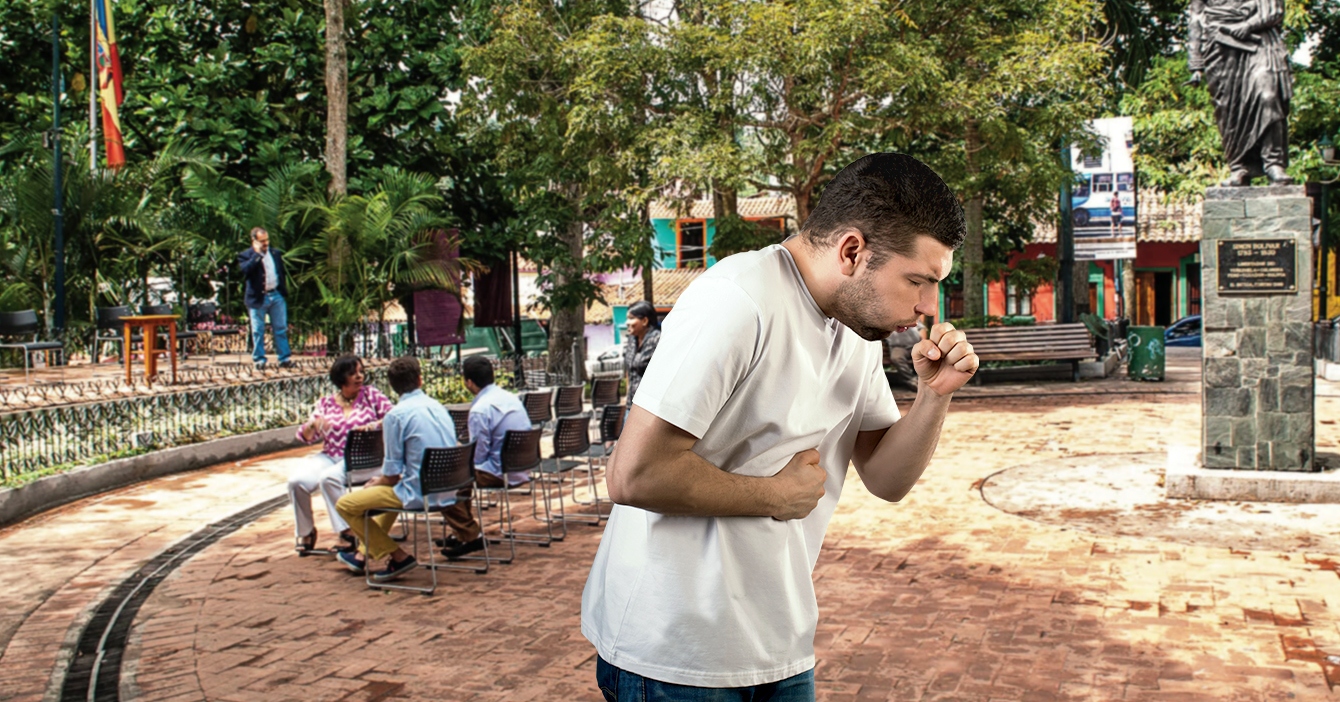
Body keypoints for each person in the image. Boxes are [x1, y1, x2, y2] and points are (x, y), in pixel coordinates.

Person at [582, 153, 979, 700]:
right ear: (852, 251)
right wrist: (773, 494)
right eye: (918, 280)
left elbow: (888, 479)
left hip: (779, 642)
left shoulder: (854, 326)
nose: (927, 306)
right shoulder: (738, 300)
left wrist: (934, 397)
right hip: (675, 652)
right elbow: (633, 475)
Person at [335, 357, 458, 582]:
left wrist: (377, 481)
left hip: (422, 492)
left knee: (345, 504)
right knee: (389, 497)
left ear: (392, 386)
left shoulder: (396, 415)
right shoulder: (437, 406)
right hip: (451, 486)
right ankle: (362, 554)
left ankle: (398, 556)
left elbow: (391, 474)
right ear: (420, 380)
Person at [290, 355, 395, 554]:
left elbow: (393, 416)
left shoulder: (371, 395)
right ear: (341, 378)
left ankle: (348, 532)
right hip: (331, 455)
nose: (359, 377)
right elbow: (306, 436)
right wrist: (313, 424)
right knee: (297, 481)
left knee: (328, 479)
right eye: (352, 373)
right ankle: (306, 531)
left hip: (365, 458)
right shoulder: (325, 403)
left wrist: (373, 425)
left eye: (361, 372)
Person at [1186, 0, 1293, 185]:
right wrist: (1196, 63)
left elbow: (1275, 10)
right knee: (1229, 109)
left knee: (1268, 96)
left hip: (1259, 41)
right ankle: (1239, 167)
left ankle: (1274, 164)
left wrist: (1248, 25)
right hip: (1220, 46)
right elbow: (1195, 19)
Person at [436, 356, 533, 560]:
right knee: (461, 479)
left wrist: (457, 454)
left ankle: (471, 534)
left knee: (443, 482)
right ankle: (462, 532)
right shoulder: (510, 398)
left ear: (468, 382)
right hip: (522, 466)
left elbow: (478, 456)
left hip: (499, 472)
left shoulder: (481, 409)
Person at [237, 227, 293, 370]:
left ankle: (284, 358)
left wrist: (282, 291)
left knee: (280, 328)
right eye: (262, 241)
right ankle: (259, 360)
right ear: (254, 241)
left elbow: (280, 272)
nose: (265, 243)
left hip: (276, 295)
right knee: (257, 330)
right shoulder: (246, 256)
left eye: (267, 240)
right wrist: (257, 255)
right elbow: (245, 271)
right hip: (257, 298)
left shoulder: (275, 253)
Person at [622, 301, 661, 408]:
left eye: (631, 318)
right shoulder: (632, 340)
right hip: (632, 403)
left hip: (651, 407)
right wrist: (627, 396)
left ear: (644, 321)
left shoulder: (658, 340)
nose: (627, 322)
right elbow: (629, 371)